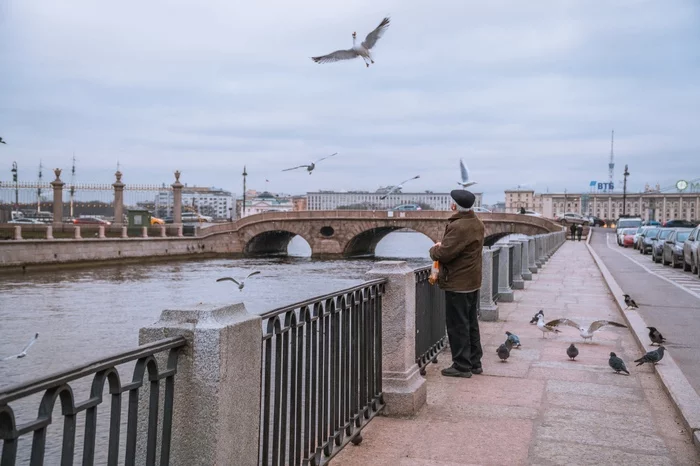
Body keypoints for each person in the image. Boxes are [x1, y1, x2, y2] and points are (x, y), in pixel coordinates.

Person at [429, 190, 485, 378]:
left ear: (454, 206)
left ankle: (462, 365)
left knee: (457, 324)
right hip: (471, 281)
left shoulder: (459, 226)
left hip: (458, 282)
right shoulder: (477, 223)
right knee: (470, 322)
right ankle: (475, 362)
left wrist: (434, 249)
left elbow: (444, 254)